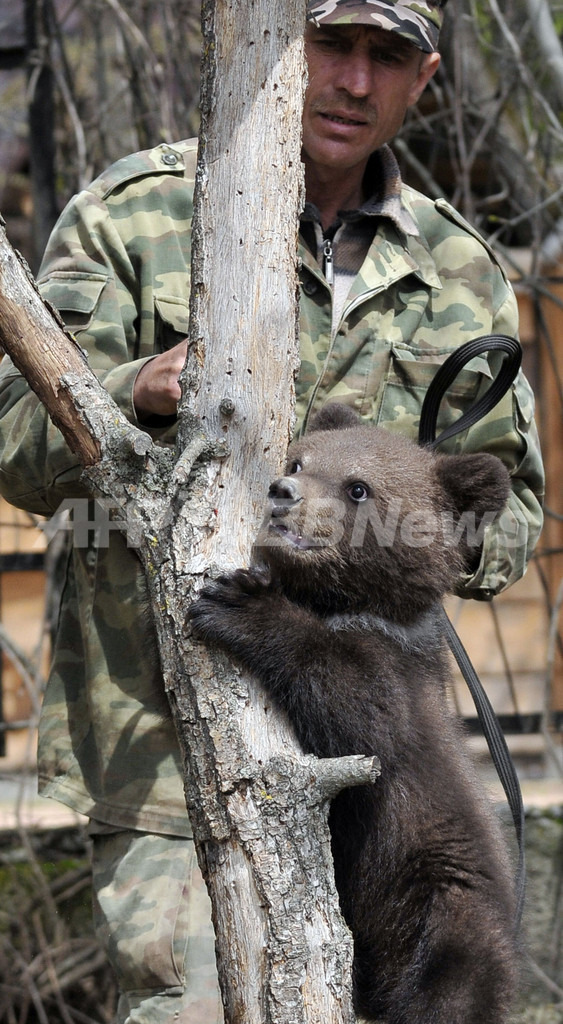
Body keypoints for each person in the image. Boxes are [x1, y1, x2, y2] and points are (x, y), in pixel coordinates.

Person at [0, 1, 544, 1021]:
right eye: (329, 43)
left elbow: (508, 516)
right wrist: (133, 391)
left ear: (421, 80)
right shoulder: (140, 212)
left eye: (385, 57)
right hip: (176, 754)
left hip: (383, 773)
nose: (351, 80)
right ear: (271, 44)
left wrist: (399, 521)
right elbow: (8, 441)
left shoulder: (456, 264)